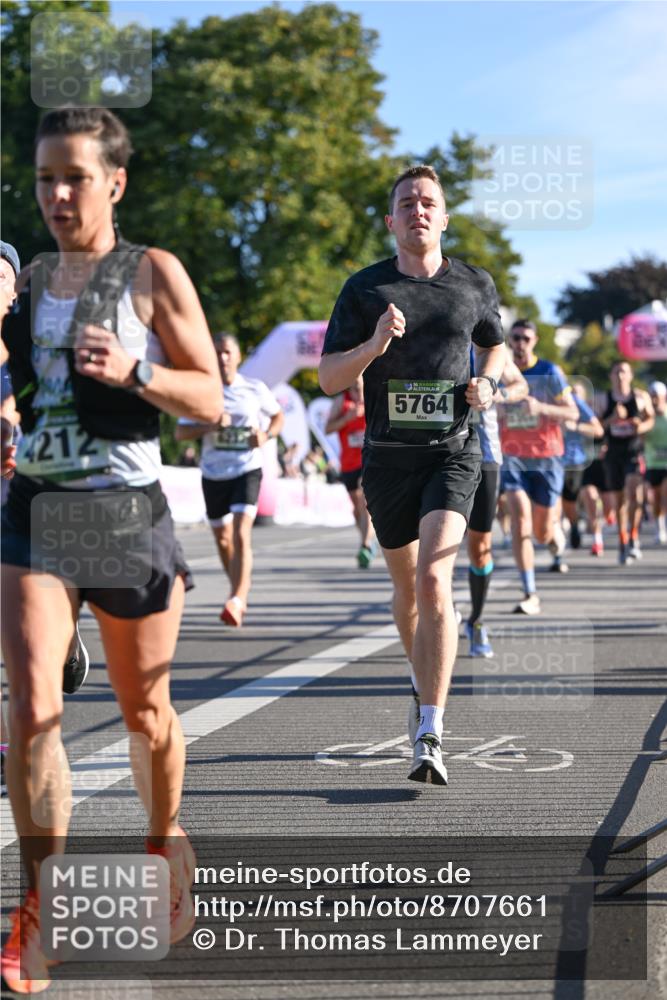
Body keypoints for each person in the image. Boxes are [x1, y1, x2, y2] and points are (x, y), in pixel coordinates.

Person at [0, 107, 222, 994]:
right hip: (37, 513)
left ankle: (166, 838)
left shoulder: (151, 274)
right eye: (45, 178)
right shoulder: (23, 280)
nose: (57, 194)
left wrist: (136, 373)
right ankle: (38, 907)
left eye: (76, 178)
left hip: (128, 516)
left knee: (146, 719)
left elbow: (209, 398)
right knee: (30, 708)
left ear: (115, 184)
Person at [319, 164, 505, 786]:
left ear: (444, 217)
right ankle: (422, 675)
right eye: (407, 203)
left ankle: (430, 728)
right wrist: (373, 345)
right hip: (386, 457)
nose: (418, 210)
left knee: (433, 579)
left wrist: (488, 380)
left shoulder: (473, 284)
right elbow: (328, 379)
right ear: (391, 220)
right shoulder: (364, 290)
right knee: (406, 590)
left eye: (429, 202)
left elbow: (495, 343)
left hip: (453, 451)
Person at [176, 332, 283, 627]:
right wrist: (209, 425)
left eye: (227, 352)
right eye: (217, 353)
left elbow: (277, 417)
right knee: (223, 540)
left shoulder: (254, 388)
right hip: (213, 472)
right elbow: (180, 433)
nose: (222, 358)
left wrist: (266, 435)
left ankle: (237, 598)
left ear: (237, 357)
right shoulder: (204, 391)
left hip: (246, 468)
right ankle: (236, 585)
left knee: (240, 532)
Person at [499, 319, 578, 614]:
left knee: (542, 533)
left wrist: (541, 408)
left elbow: (571, 412)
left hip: (546, 457)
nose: (520, 343)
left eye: (525, 338)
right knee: (520, 521)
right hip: (513, 456)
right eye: (515, 337)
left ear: (534, 342)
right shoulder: (501, 373)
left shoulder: (550, 372)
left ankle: (555, 534)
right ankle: (530, 592)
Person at [465, 346, 528, 657]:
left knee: (479, 548)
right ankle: (439, 613)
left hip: (486, 457)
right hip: (437, 454)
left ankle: (476, 619)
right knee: (434, 543)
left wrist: (496, 393)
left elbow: (521, 385)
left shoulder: (489, 348)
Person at [599, 360, 654, 563]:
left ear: (631, 375)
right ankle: (623, 539)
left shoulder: (640, 397)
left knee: (635, 495)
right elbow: (598, 427)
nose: (620, 376)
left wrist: (640, 426)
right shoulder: (604, 399)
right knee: (620, 501)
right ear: (611, 376)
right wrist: (612, 418)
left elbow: (650, 419)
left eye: (624, 372)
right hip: (613, 453)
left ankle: (634, 536)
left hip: (633, 451)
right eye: (616, 372)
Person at [324, 375, 377, 568]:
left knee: (365, 501)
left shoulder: (373, 398)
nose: (358, 392)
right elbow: (328, 428)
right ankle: (369, 539)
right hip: (348, 463)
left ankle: (365, 545)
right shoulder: (341, 402)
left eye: (361, 387)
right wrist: (347, 418)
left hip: (369, 461)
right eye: (355, 388)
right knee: (356, 509)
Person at [560, 380, 603, 550]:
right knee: (558, 503)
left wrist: (575, 426)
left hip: (578, 462)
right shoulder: (547, 399)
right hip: (551, 461)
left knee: (588, 498)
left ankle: (595, 537)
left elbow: (598, 430)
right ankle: (572, 528)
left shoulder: (579, 405)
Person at [644, 380, 667, 544]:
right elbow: (640, 436)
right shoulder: (647, 416)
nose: (654, 399)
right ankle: (659, 527)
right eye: (652, 396)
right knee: (656, 498)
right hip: (652, 462)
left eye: (657, 396)